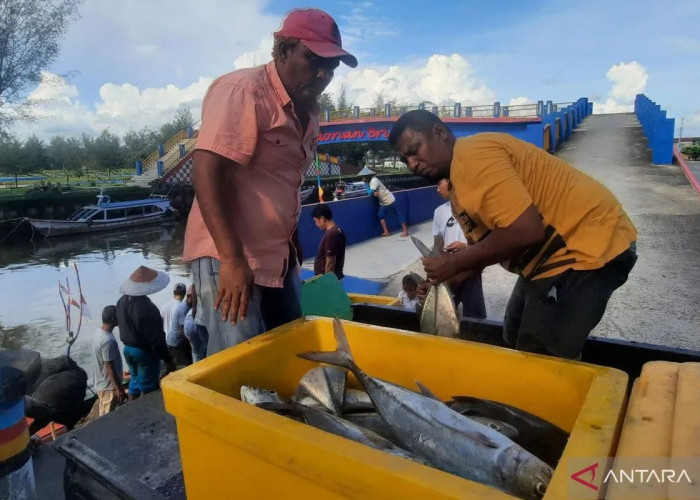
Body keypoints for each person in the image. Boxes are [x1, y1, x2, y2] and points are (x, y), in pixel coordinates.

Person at [389, 111, 638, 360]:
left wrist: (451, 262)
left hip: (585, 244)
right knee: (513, 332)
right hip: (545, 260)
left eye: (414, 150)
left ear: (440, 132)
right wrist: (439, 283)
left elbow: (526, 231)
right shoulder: (458, 189)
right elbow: (480, 253)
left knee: (541, 355)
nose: (412, 164)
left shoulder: (474, 156)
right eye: (405, 159)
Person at [182, 8, 357, 356]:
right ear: (282, 50)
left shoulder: (308, 111)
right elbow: (207, 169)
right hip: (229, 256)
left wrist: (292, 241)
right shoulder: (243, 91)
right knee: (238, 358)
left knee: (290, 344)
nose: (323, 73)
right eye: (313, 59)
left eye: (332, 67)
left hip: (278, 256)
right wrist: (232, 261)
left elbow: (283, 182)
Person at [117, 266, 177, 398]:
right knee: (147, 386)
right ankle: (143, 411)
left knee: (134, 381)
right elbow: (156, 338)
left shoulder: (121, 302)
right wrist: (168, 360)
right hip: (143, 352)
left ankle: (130, 405)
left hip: (127, 349)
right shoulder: (148, 308)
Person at [432, 178, 487, 320]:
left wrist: (464, 247)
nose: (437, 189)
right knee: (446, 317)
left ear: (450, 181)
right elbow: (438, 242)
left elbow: (486, 242)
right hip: (449, 270)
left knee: (474, 317)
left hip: (471, 267)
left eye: (439, 184)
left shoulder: (473, 206)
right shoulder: (439, 212)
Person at [88, 305, 126, 417]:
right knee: (107, 417)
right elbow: (109, 366)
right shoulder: (107, 341)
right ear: (114, 319)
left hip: (101, 383)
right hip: (109, 387)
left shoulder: (97, 332)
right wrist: (118, 388)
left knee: (105, 412)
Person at [359, 167, 409, 237]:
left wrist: (367, 185)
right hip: (383, 202)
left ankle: (405, 231)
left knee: (398, 214)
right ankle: (386, 232)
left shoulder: (373, 180)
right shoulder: (371, 181)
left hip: (389, 199)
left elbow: (370, 193)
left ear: (368, 176)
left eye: (364, 176)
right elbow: (372, 192)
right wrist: (373, 192)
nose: (363, 178)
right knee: (380, 215)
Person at [312, 204, 346, 280]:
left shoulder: (331, 235)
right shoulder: (338, 230)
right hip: (336, 275)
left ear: (322, 219)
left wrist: (327, 282)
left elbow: (330, 262)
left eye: (316, 221)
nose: (316, 224)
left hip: (329, 279)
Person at [161, 283, 192, 368]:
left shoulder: (164, 306)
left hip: (168, 342)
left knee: (171, 367)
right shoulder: (182, 307)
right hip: (179, 342)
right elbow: (183, 329)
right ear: (184, 293)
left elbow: (160, 326)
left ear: (173, 292)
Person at [183, 285, 209, 362]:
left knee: (196, 351)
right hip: (199, 321)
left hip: (189, 320)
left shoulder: (185, 304)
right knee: (207, 349)